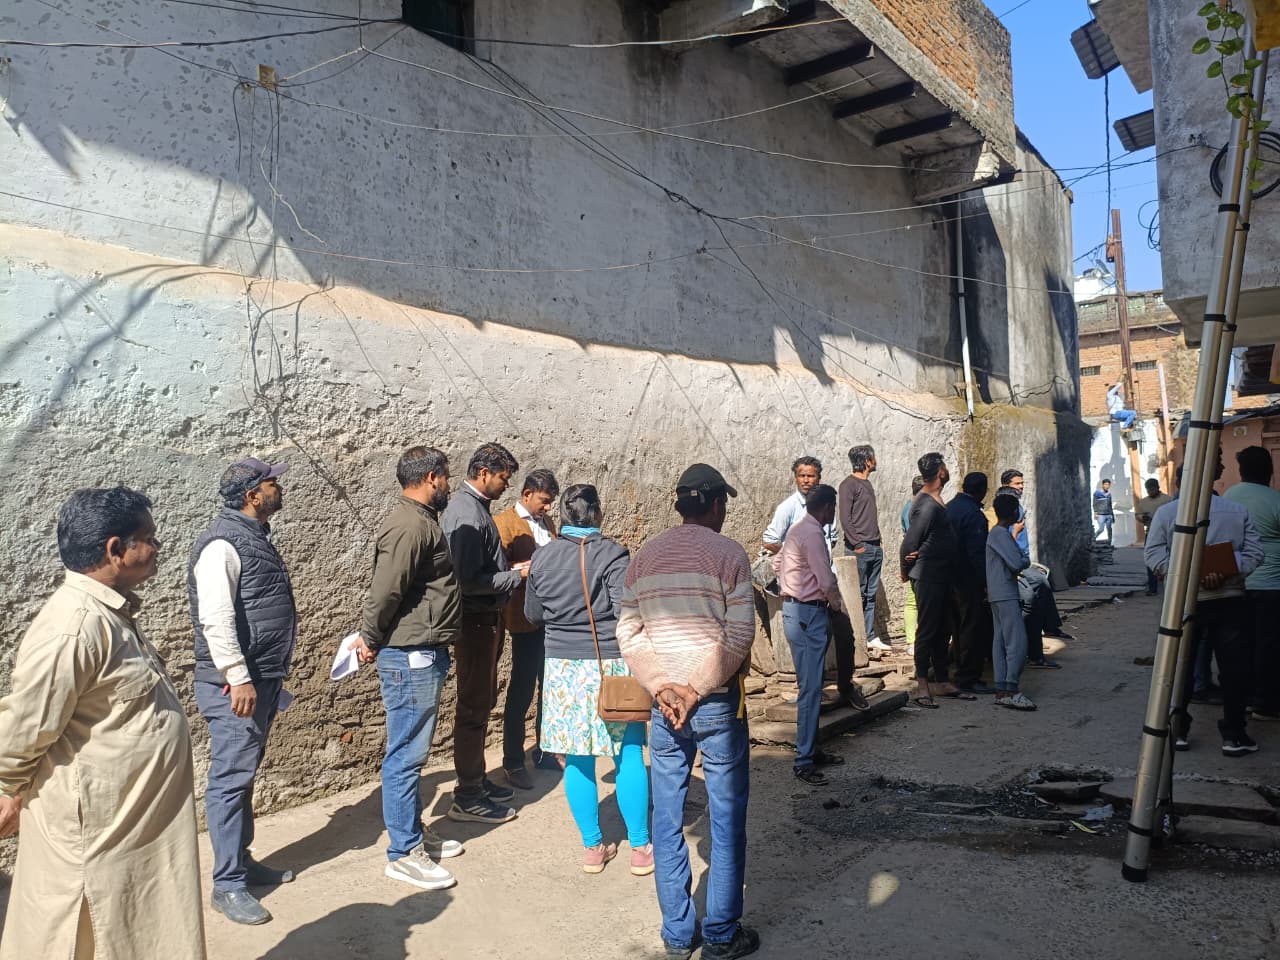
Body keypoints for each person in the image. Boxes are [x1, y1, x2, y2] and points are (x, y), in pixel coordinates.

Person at [0, 488, 206, 960]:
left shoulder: (109, 613)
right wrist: (6, 788)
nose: (157, 547)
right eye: (149, 538)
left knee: (131, 928)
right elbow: (26, 725)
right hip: (96, 832)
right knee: (85, 933)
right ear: (116, 550)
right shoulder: (73, 626)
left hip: (128, 826)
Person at [617, 463, 759, 960]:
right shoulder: (730, 555)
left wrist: (662, 686)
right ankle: (720, 934)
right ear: (717, 504)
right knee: (726, 818)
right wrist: (694, 688)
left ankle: (677, 933)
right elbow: (739, 634)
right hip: (715, 704)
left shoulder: (645, 557)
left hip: (665, 709)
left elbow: (628, 632)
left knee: (666, 817)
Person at [189, 457, 297, 925]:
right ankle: (227, 885)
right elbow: (216, 618)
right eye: (272, 483)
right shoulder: (222, 545)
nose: (278, 488)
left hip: (259, 679)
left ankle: (242, 861)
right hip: (235, 686)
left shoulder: (252, 538)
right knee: (230, 781)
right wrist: (237, 676)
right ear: (253, 495)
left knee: (244, 775)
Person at [523, 484, 652, 876]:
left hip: (561, 669)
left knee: (577, 759)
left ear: (563, 515)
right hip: (608, 666)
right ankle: (641, 849)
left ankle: (593, 848)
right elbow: (624, 609)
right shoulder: (613, 554)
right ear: (596, 513)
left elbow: (533, 615)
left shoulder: (542, 557)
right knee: (628, 753)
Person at [354, 446, 465, 892]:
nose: (448, 485)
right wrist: (369, 637)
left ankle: (413, 832)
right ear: (432, 477)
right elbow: (386, 590)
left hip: (422, 652)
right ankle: (403, 853)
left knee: (413, 751)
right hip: (409, 657)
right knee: (405, 754)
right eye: (447, 477)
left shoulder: (421, 521)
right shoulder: (409, 526)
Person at [1146, 459, 1263, 756]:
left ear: (1180, 481)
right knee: (1233, 670)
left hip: (1183, 602)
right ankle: (1234, 736)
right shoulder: (1236, 511)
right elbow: (1255, 553)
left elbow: (1154, 554)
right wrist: (1225, 571)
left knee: (1181, 668)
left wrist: (1187, 573)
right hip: (1229, 598)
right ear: (1213, 478)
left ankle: (1178, 730)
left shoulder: (1166, 513)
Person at [441, 442, 524, 823]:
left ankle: (474, 778)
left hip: (484, 621)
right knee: (473, 706)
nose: (506, 486)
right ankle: (468, 794)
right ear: (484, 473)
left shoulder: (476, 509)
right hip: (473, 622)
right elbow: (468, 580)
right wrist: (516, 575)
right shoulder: (465, 512)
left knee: (481, 701)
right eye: (503, 478)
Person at [762, 456, 866, 711]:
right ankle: (810, 693)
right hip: (806, 591)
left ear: (818, 478)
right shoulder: (789, 508)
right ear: (795, 478)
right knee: (810, 646)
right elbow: (770, 540)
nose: (806, 480)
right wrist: (795, 558)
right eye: (802, 476)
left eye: (811, 476)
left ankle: (844, 687)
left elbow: (831, 540)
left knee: (844, 635)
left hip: (826, 583)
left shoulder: (825, 506)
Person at [495, 468, 561, 787]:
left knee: (549, 686)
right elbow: (495, 570)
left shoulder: (546, 523)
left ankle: (544, 750)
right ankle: (512, 761)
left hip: (550, 618)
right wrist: (521, 569)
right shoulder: (504, 524)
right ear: (527, 494)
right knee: (521, 690)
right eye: (544, 501)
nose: (548, 508)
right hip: (523, 619)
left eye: (550, 503)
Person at [779, 483, 849, 786]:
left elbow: (777, 563)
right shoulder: (813, 533)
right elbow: (826, 579)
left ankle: (811, 749)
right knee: (810, 689)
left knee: (812, 685)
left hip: (798, 611)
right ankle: (804, 760)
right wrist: (838, 607)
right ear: (828, 507)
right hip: (808, 613)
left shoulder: (798, 529)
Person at [900, 453, 973, 708]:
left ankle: (941, 679)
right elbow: (910, 542)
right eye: (945, 466)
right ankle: (922, 684)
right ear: (941, 471)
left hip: (942, 575)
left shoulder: (936, 501)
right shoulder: (927, 505)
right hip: (928, 576)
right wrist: (904, 569)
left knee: (943, 629)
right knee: (928, 630)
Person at [1222, 446, 1280, 720]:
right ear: (1270, 471)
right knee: (1269, 646)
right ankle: (1264, 702)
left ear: (1241, 471)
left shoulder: (1228, 499)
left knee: (1241, 645)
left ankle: (1243, 698)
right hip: (1272, 586)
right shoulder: (1275, 500)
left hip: (1236, 583)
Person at [1000, 469, 1070, 668]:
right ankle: (1036, 649)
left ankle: (1050, 627)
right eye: (1017, 484)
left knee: (1042, 583)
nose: (1021, 487)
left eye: (1022, 483)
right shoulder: (1007, 510)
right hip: (1013, 568)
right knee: (1034, 595)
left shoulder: (1016, 507)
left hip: (1021, 563)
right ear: (1006, 485)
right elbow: (1006, 543)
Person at [947, 472, 994, 695]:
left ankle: (959, 670)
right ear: (982, 490)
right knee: (972, 628)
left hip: (949, 577)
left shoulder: (950, 508)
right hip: (968, 580)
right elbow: (977, 553)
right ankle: (968, 676)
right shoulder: (974, 515)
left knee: (958, 627)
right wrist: (986, 582)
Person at [987, 493, 1036, 711]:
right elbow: (1018, 562)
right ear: (1013, 512)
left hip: (998, 592)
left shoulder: (997, 534)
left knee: (1000, 640)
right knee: (1016, 640)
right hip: (1005, 591)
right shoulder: (1001, 535)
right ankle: (1011, 688)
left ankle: (1002, 689)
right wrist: (1024, 559)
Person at [839, 445, 890, 654]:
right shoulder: (848, 485)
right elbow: (845, 518)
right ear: (867, 460)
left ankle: (869, 636)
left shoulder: (867, 483)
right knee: (857, 594)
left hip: (874, 546)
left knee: (870, 594)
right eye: (873, 457)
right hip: (859, 548)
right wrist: (858, 545)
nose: (875, 460)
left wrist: (878, 541)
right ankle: (857, 637)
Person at [900, 475, 924, 657]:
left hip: (912, 560)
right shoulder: (915, 509)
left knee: (913, 601)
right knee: (915, 602)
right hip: (917, 560)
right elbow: (913, 538)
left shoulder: (909, 507)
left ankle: (912, 640)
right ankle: (913, 641)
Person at [1136, 477, 1174, 595]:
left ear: (1158, 487)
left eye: (1152, 489)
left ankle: (1171, 584)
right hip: (1151, 533)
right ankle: (1152, 588)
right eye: (1148, 490)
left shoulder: (1168, 500)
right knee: (1151, 559)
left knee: (1171, 557)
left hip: (1167, 533)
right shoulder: (1143, 502)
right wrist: (1143, 518)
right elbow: (1138, 515)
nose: (1150, 492)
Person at [1093, 478, 1115, 544]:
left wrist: (1112, 516)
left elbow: (1110, 505)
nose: (1106, 486)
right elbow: (1094, 504)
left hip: (1109, 514)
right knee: (1101, 529)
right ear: (1102, 485)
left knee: (1109, 529)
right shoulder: (1097, 493)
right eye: (1105, 484)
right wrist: (1095, 513)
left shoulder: (1109, 494)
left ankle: (1109, 542)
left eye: (1108, 485)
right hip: (1101, 515)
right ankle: (1093, 538)